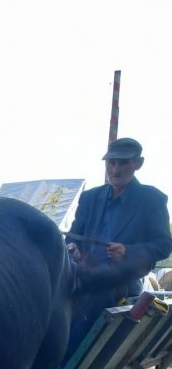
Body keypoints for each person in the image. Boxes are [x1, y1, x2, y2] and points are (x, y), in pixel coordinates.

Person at [64, 137, 172, 356]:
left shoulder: (151, 199)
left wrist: (128, 251)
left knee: (94, 297)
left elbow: (163, 245)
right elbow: (73, 237)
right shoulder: (89, 198)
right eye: (111, 162)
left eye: (123, 163)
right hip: (82, 272)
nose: (115, 169)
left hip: (124, 280)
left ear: (138, 164)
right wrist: (73, 247)